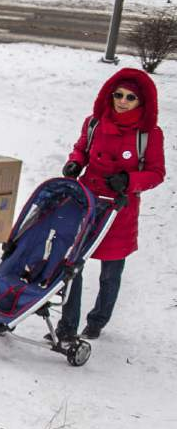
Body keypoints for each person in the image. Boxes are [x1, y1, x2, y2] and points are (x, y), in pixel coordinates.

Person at [58, 68, 166, 340]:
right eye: (118, 95)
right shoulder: (94, 122)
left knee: (110, 272)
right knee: (73, 265)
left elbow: (156, 173)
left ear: (141, 102)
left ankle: (97, 321)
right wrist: (75, 162)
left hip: (119, 210)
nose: (122, 101)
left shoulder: (149, 135)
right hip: (88, 201)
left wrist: (129, 180)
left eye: (130, 97)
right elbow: (82, 148)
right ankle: (67, 325)